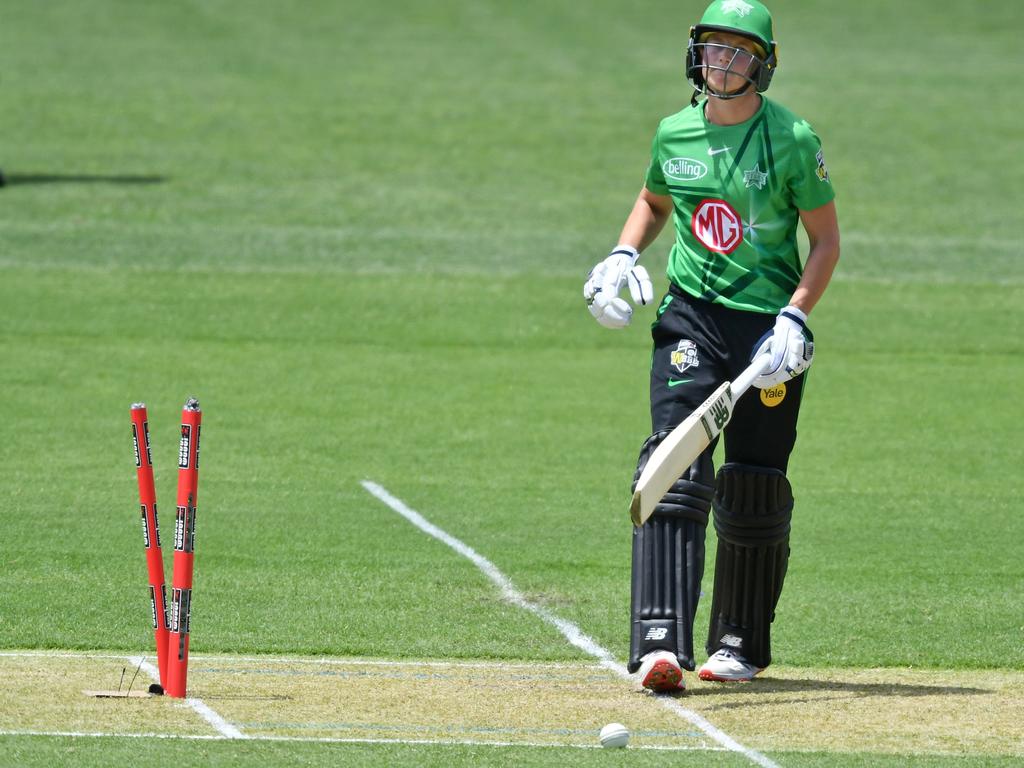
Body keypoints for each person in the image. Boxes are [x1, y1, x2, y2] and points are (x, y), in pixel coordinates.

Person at [583, 0, 839, 691]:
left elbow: (825, 242)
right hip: (691, 316)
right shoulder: (674, 133)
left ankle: (738, 642)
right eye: (713, 50)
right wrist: (622, 252)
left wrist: (795, 318)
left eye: (738, 53)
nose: (722, 63)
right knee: (675, 458)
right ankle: (659, 642)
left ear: (763, 64)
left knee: (754, 481)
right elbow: (655, 199)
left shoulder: (791, 139)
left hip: (766, 332)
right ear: (696, 55)